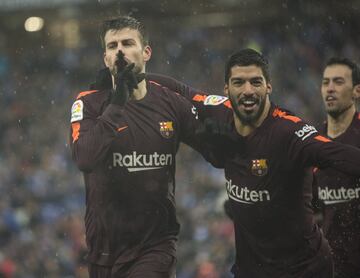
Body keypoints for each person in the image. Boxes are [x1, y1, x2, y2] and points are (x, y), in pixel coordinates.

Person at [148, 48, 360, 278]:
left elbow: (337, 154)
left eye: (255, 82)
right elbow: (180, 90)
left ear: (269, 86)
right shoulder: (219, 111)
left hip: (303, 270)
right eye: (239, 82)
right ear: (226, 88)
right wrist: (120, 78)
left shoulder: (289, 132)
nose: (248, 91)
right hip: (252, 270)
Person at [69, 16, 213, 278]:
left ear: (146, 52)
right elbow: (84, 158)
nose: (119, 51)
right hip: (104, 250)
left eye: (127, 43)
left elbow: (214, 150)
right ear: (105, 58)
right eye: (112, 46)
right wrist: (117, 104)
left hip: (155, 245)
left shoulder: (170, 103)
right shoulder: (88, 104)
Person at [313, 57, 360, 278]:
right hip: (332, 268)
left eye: (339, 82)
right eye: (325, 82)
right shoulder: (311, 143)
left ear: (356, 91)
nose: (330, 88)